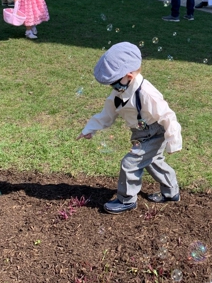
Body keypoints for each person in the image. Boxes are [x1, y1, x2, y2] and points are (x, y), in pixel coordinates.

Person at [77, 42, 182, 214]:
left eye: (115, 83)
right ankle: (171, 192)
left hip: (154, 132)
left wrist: (173, 141)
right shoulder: (119, 92)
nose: (113, 87)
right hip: (140, 133)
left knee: (130, 164)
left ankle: (126, 200)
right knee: (154, 162)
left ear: (129, 76)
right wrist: (90, 128)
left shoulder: (147, 93)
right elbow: (107, 113)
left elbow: (167, 116)